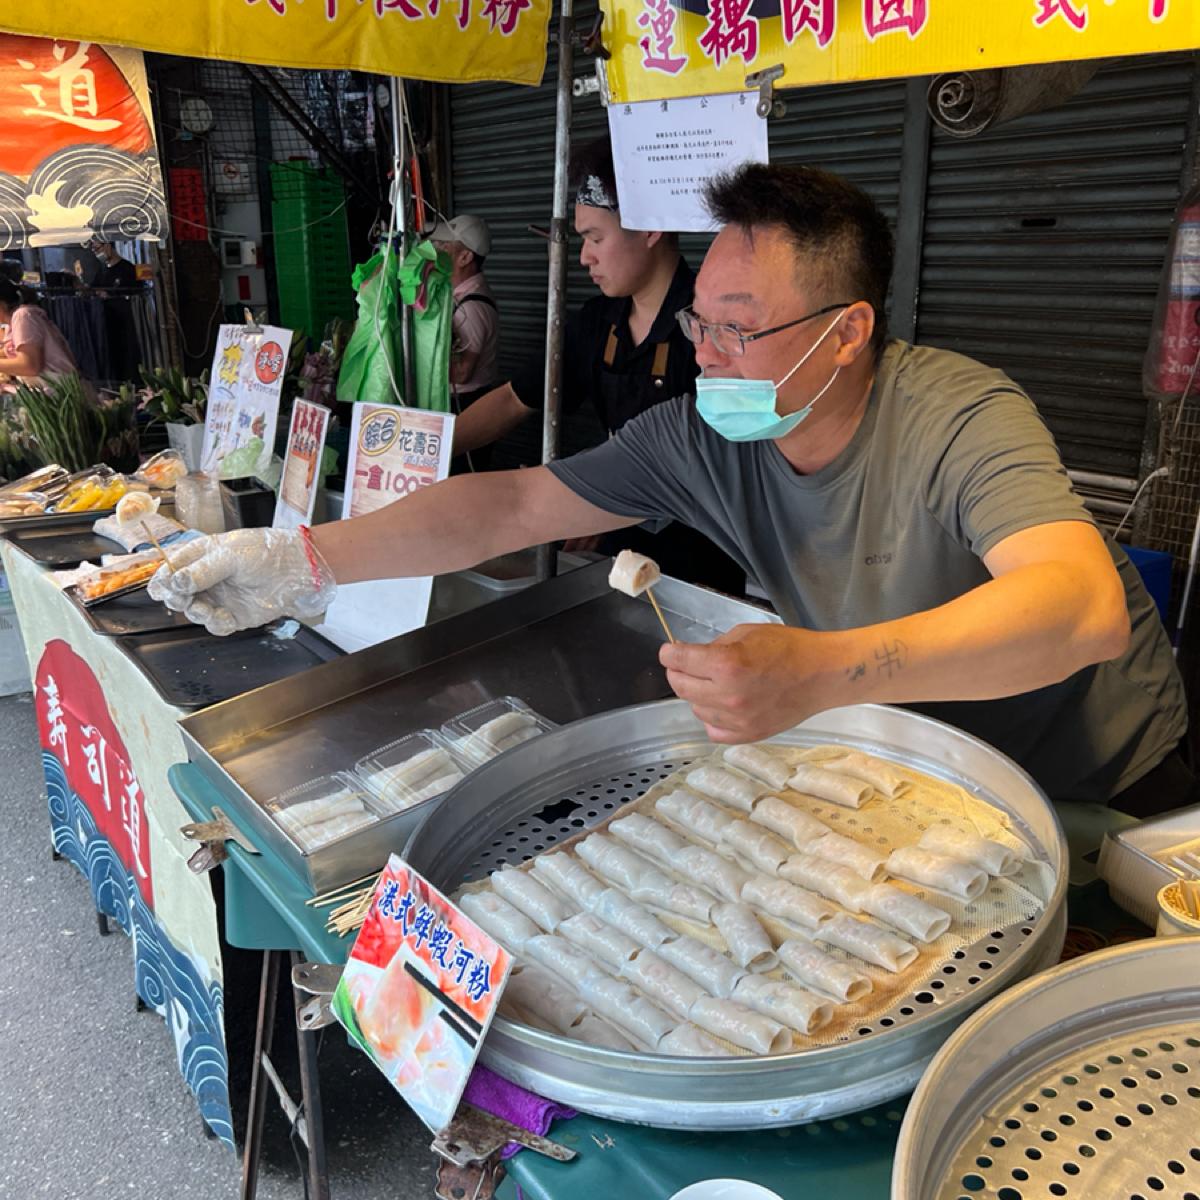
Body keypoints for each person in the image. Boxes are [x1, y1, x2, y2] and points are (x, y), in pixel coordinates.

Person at [149, 163, 1189, 816]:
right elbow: (513, 506)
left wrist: (823, 669)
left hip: (1106, 780)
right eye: (701, 321)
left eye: (740, 328)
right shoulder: (704, 433)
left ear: (848, 333)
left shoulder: (960, 414)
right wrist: (302, 558)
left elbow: (1082, 609)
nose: (707, 353)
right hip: (933, 772)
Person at [451, 135, 744, 593]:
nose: (584, 256)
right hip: (617, 566)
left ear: (649, 230)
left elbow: (729, 466)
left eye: (595, 238)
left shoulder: (713, 330)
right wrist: (434, 452)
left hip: (699, 568)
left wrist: (608, 498)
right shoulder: (598, 322)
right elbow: (513, 399)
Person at [429, 214, 501, 470]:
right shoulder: (456, 296)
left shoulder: (471, 307)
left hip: (467, 405)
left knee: (462, 475)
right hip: (462, 402)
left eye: (444, 246)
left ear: (465, 257)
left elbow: (461, 373)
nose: (436, 251)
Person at [0, 279, 84, 389]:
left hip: (62, 392)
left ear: (2, 304)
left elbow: (30, 365)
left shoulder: (23, 316)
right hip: (50, 391)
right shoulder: (11, 324)